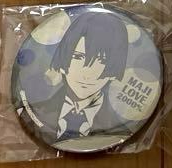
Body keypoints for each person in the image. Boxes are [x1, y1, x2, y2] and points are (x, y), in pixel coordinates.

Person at [26, 10, 130, 142]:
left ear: (115, 63)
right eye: (78, 57)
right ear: (64, 55)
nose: (87, 74)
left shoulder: (120, 130)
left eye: (102, 61)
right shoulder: (32, 112)